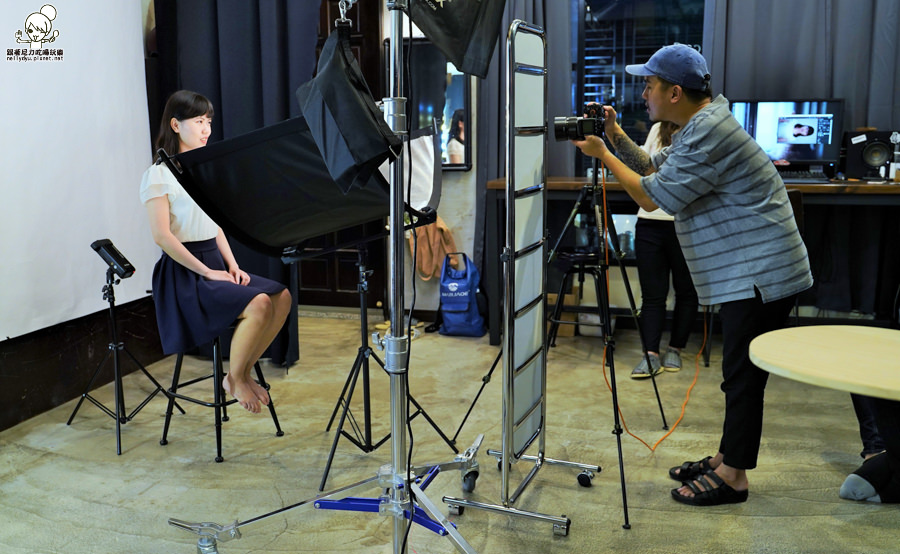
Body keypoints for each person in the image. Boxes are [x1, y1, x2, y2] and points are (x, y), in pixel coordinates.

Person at [572, 44, 812, 506]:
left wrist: (602, 153)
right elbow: (651, 168)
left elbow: (650, 197)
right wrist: (615, 135)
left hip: (761, 273)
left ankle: (734, 477)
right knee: (738, 373)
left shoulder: (709, 134)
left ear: (675, 92)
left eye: (649, 85)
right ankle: (727, 458)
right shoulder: (699, 126)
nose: (644, 93)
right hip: (753, 270)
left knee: (742, 377)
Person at [140, 90, 293, 414]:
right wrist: (209, 272)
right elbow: (162, 236)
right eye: (199, 121)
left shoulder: (202, 170)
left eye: (208, 121)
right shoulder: (158, 175)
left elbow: (216, 225)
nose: (207, 129)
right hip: (184, 275)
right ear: (176, 125)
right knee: (260, 304)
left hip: (213, 262)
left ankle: (240, 373)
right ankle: (237, 378)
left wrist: (232, 265)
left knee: (282, 297)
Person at [630, 120, 698, 379]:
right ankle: (650, 354)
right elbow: (645, 168)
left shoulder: (699, 127)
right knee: (652, 294)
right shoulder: (658, 128)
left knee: (686, 291)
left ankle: (675, 349)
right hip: (650, 221)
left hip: (686, 221)